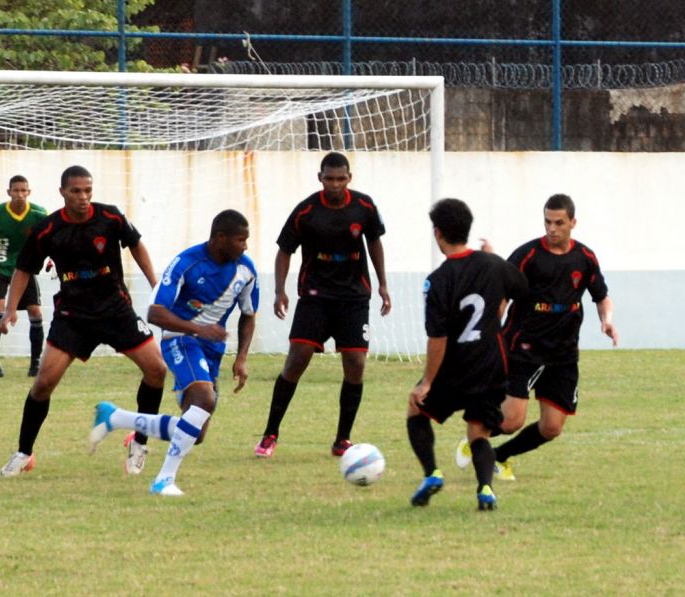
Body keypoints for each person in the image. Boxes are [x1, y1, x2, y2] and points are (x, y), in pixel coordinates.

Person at [0, 165, 167, 478]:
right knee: (43, 384)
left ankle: (139, 441)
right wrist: (10, 310)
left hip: (116, 310)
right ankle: (24, 453)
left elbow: (136, 244)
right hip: (73, 315)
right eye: (76, 191)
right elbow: (24, 269)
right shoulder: (47, 229)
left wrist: (155, 284)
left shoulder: (110, 218)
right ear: (62, 192)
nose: (84, 197)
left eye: (88, 190)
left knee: (156, 370)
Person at [88, 209, 259, 496]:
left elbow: (248, 314)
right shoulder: (186, 263)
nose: (245, 246)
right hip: (180, 339)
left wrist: (241, 358)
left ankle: (115, 418)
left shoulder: (246, 269)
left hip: (212, 349)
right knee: (204, 400)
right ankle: (163, 480)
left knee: (196, 431)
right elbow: (155, 313)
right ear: (221, 238)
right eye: (240, 240)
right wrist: (198, 329)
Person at [456, 194, 619, 480]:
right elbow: (502, 293)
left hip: (563, 354)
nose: (552, 228)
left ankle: (499, 456)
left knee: (552, 428)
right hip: (523, 347)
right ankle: (477, 436)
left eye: (559, 222)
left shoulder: (585, 258)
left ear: (573, 223)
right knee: (511, 421)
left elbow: (602, 297)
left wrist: (606, 320)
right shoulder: (529, 255)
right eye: (547, 221)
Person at [254, 151, 391, 459]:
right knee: (296, 360)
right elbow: (284, 251)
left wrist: (383, 284)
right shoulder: (306, 211)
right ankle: (270, 433)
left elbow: (375, 244)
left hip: (355, 297)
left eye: (341, 179)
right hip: (315, 296)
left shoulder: (364, 207)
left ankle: (342, 439)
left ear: (349, 178)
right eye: (329, 179)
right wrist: (279, 290)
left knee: (356, 364)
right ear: (320, 178)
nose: (335, 184)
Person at [407, 198, 528, 511]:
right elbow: (522, 291)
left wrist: (427, 382)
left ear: (437, 233)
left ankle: (432, 473)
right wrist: (499, 311)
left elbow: (438, 339)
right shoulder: (495, 265)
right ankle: (485, 488)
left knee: (416, 409)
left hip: (453, 366)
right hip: (490, 365)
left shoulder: (438, 280)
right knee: (478, 431)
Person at [0, 175, 49, 378]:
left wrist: (52, 258)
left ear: (29, 192)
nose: (20, 195)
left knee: (36, 312)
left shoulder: (39, 214)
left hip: (24, 269)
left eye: (24, 191)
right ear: (9, 192)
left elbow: (51, 237)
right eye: (16, 190)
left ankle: (35, 364)